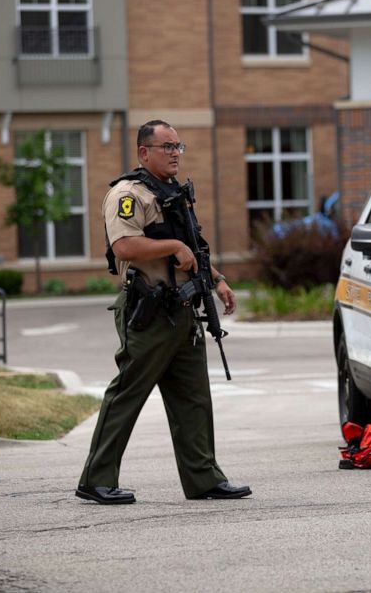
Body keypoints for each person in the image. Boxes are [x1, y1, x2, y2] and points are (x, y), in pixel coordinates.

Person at [75, 119, 250, 504]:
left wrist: (217, 280)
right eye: (166, 147)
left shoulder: (172, 193)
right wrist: (171, 246)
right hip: (149, 311)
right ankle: (96, 478)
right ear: (144, 152)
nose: (174, 153)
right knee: (127, 395)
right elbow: (124, 246)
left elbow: (192, 246)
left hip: (184, 308)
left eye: (178, 147)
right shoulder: (128, 194)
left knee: (193, 399)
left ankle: (204, 478)